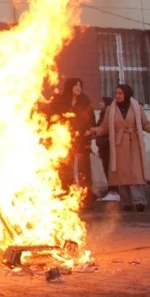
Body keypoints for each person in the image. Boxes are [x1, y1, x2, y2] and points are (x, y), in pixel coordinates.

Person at [87, 84, 150, 211]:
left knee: (135, 173)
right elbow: (104, 127)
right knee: (122, 174)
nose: (117, 96)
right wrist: (94, 131)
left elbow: (145, 124)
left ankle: (139, 201)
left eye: (120, 93)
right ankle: (126, 202)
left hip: (133, 143)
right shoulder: (110, 109)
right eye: (116, 93)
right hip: (118, 145)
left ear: (127, 94)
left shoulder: (137, 107)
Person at [53, 78, 95, 210]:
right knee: (66, 170)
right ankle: (67, 196)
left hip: (81, 139)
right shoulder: (61, 101)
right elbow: (53, 116)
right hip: (65, 140)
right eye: (75, 85)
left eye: (80, 85)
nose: (78, 87)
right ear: (69, 86)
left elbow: (90, 119)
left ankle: (87, 199)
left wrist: (89, 131)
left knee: (84, 171)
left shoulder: (84, 101)